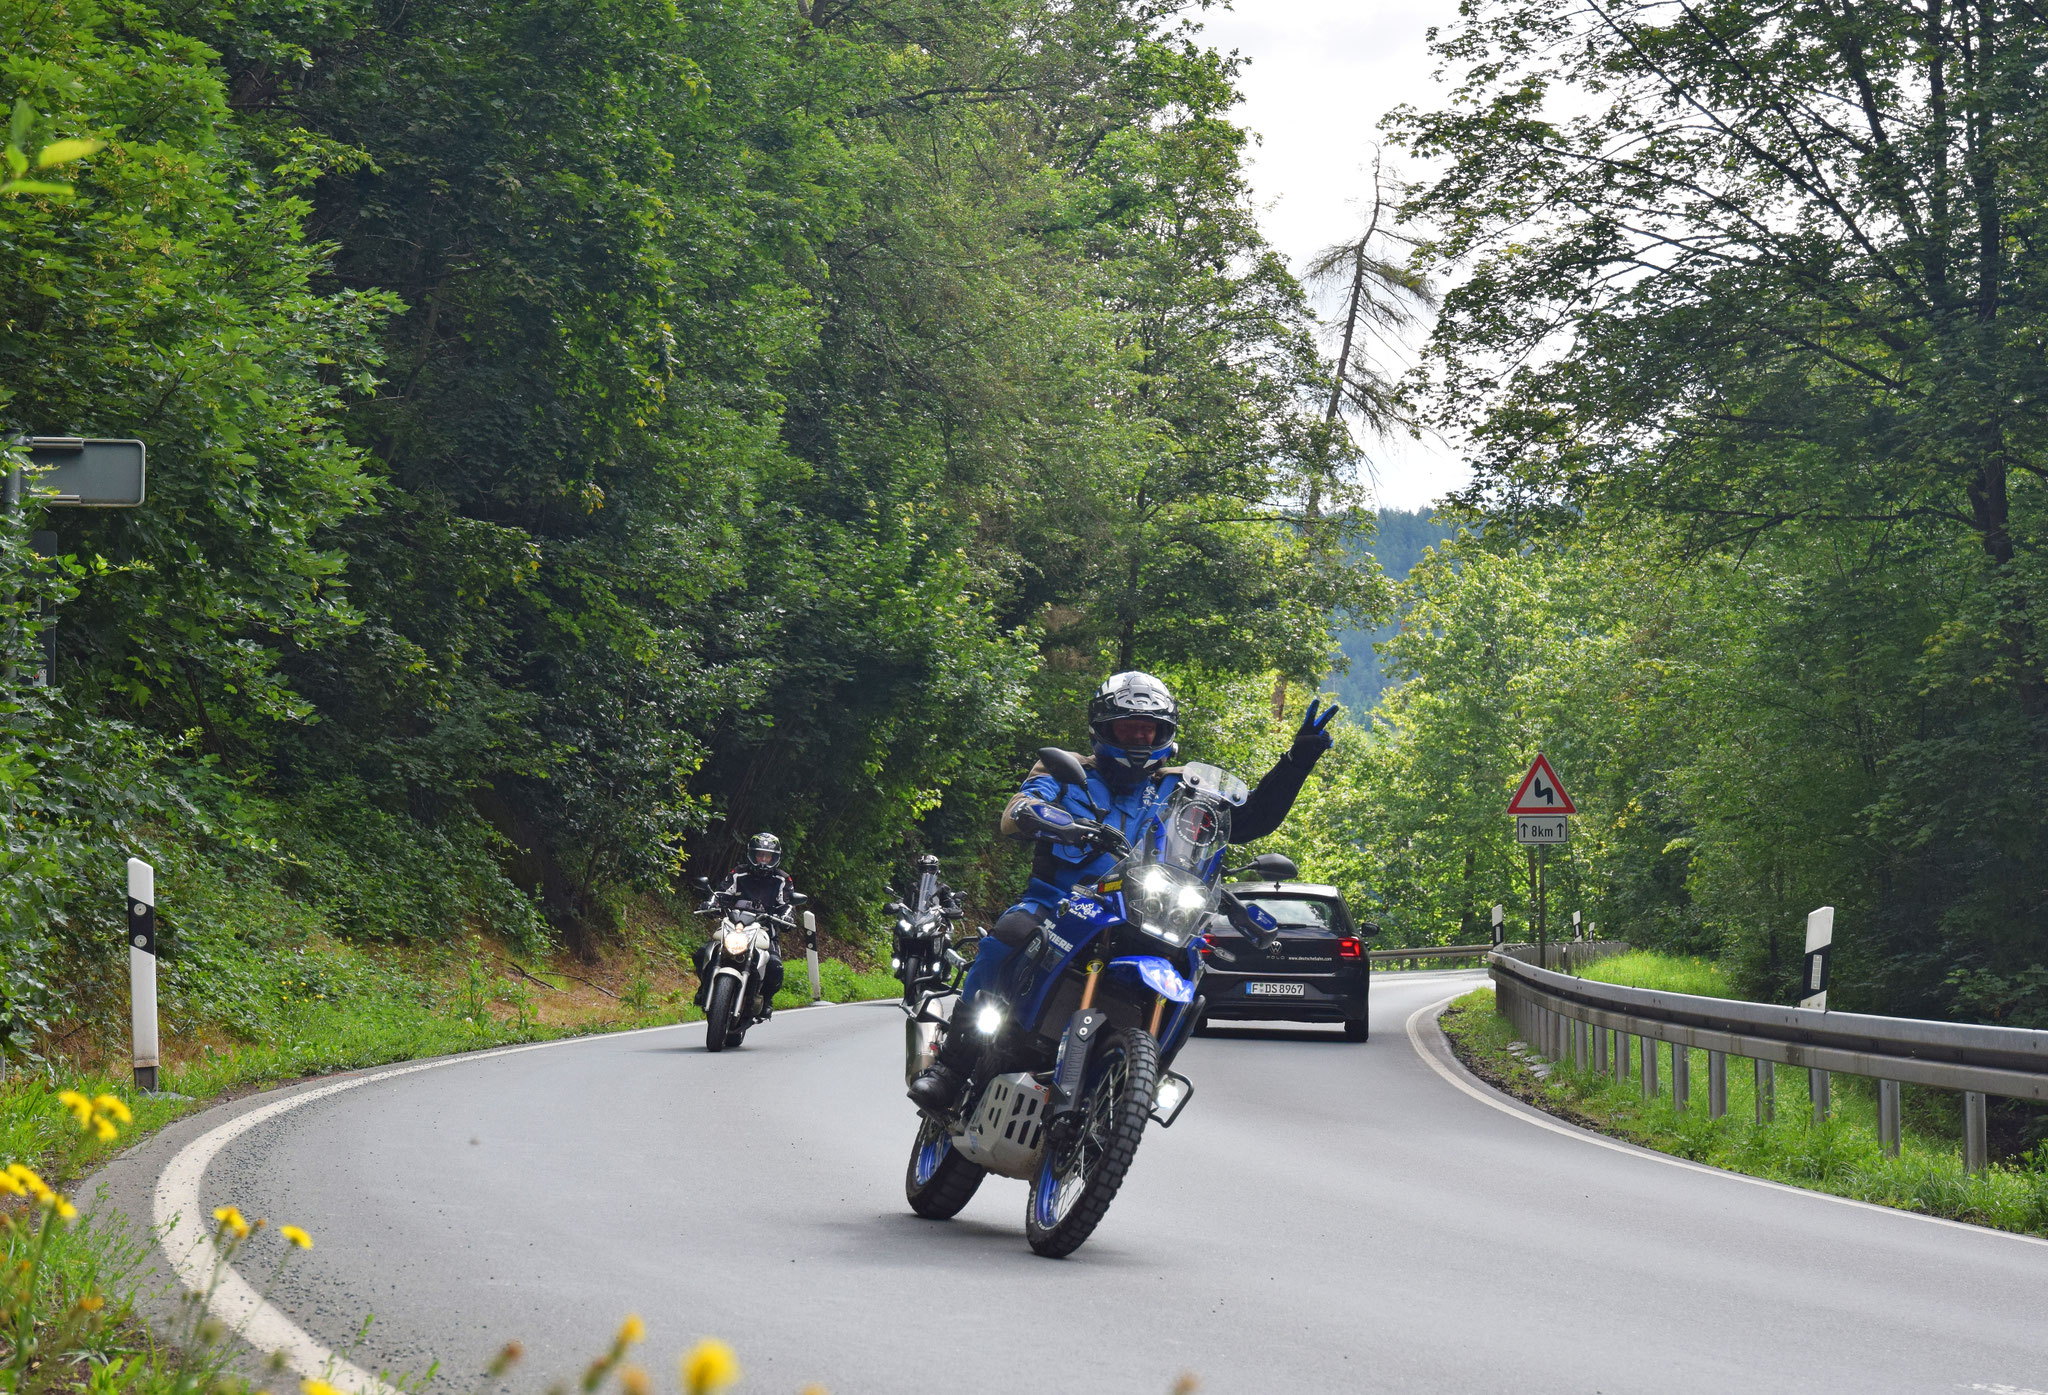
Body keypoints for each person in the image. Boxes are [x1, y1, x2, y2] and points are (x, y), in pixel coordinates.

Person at [907, 671, 1339, 1110]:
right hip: (1060, 903)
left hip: (1147, 914)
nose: (1138, 737)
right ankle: (953, 1064)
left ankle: (1135, 1086)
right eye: (1128, 727)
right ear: (1103, 729)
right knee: (1010, 934)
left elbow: (1248, 823)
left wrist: (1296, 763)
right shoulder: (1067, 771)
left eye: (1147, 729)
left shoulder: (1183, 789)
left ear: (1164, 733)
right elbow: (1018, 811)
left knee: (1192, 977)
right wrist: (1059, 822)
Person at [693, 832, 795, 1020]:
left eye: (767, 856)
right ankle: (704, 987)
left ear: (775, 857)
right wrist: (711, 904)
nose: (763, 860)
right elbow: (722, 892)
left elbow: (786, 904)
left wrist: (787, 916)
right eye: (760, 855)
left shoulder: (782, 879)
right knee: (702, 954)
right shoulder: (739, 872)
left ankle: (766, 1000)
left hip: (765, 931)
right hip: (735, 925)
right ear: (752, 855)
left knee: (775, 967)